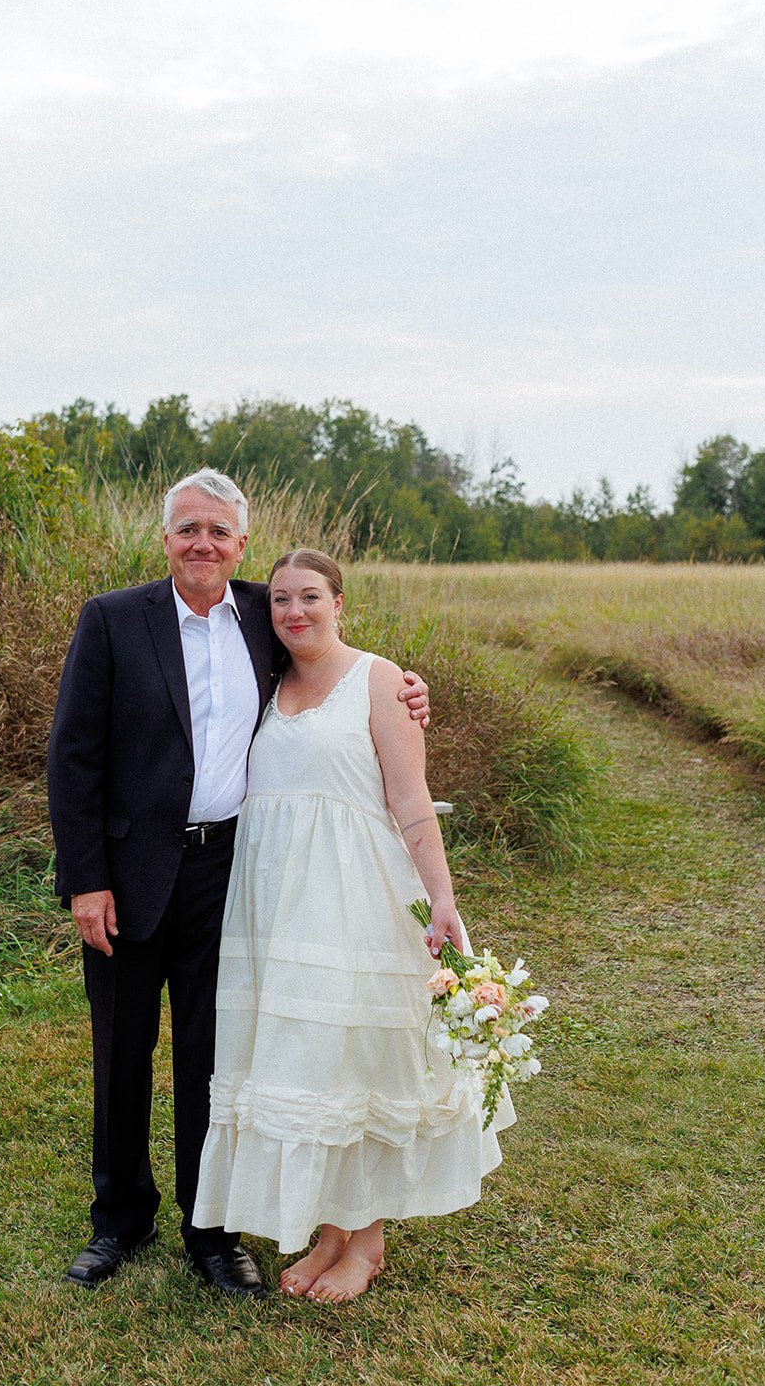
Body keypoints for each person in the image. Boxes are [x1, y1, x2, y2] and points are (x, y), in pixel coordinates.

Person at [47, 472, 430, 1298]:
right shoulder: (113, 620)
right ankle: (118, 1220)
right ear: (164, 538)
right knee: (120, 1050)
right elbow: (71, 757)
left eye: (218, 532)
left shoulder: (266, 611)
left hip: (232, 872)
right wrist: (85, 880)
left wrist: (408, 690)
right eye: (187, 529)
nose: (202, 544)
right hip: (126, 872)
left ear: (240, 544)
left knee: (214, 1055)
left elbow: (339, 664)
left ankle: (209, 1230)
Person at [193, 548, 516, 1301]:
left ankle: (365, 1244)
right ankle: (332, 1231)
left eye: (309, 596)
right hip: (275, 902)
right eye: (278, 600)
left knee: (358, 1057)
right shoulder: (267, 681)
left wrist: (441, 899)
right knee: (308, 1059)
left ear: (339, 602)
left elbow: (410, 800)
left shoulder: (380, 680)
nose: (293, 612)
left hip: (356, 894)